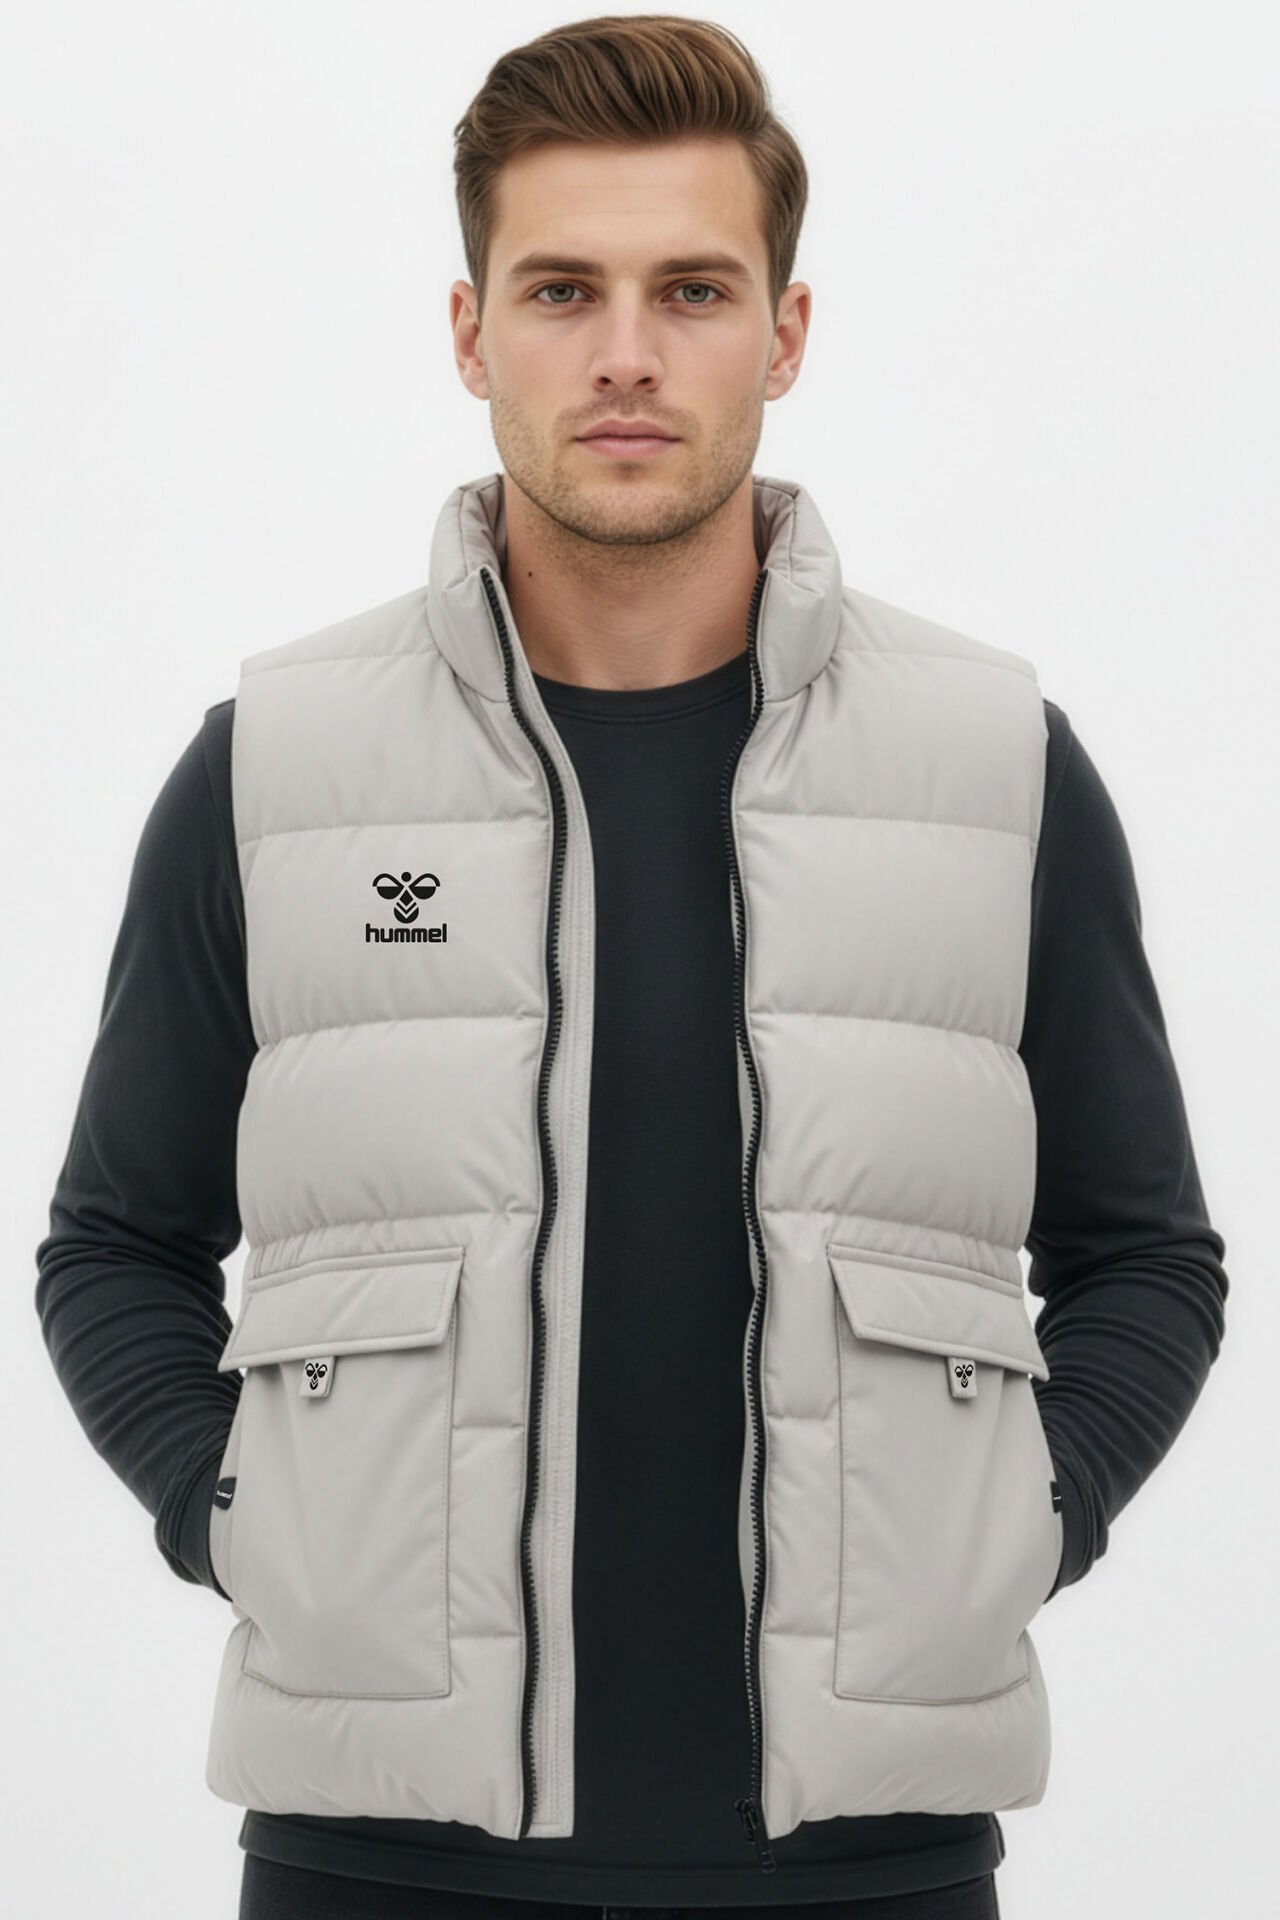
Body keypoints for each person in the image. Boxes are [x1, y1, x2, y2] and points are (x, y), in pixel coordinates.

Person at [33, 15, 1229, 1920]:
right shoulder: (277, 770)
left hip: (869, 1872)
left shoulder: (995, 770)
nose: (625, 355)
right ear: (469, 332)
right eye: (560, 290)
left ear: (785, 333)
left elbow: (1145, 1257)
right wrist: (240, 1520)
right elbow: (114, 1243)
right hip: (375, 1867)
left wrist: (1019, 1529)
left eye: (692, 289)